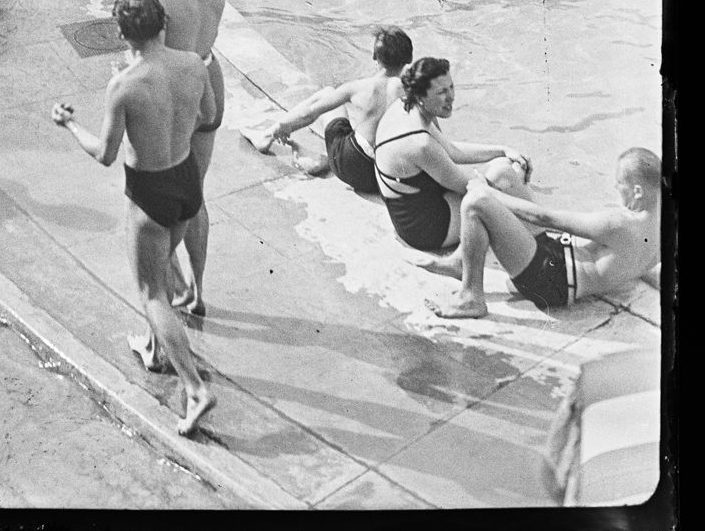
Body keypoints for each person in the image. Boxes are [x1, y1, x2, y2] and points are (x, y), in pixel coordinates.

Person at [51, 0, 216, 438]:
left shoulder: (124, 85)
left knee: (152, 292)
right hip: (186, 180)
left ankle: (195, 388)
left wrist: (69, 124)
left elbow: (105, 153)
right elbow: (209, 114)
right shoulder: (194, 65)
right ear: (163, 23)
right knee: (161, 265)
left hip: (150, 191)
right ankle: (154, 348)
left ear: (122, 34)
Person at [424, 146, 663, 320]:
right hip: (556, 259)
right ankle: (460, 261)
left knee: (476, 202)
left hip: (548, 281)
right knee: (501, 173)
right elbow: (639, 263)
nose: (615, 187)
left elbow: (543, 217)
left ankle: (470, 298)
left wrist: (488, 193)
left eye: (620, 183)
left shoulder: (619, 223)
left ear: (638, 191)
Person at [133, 0, 227, 316]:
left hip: (178, 94)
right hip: (209, 77)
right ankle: (198, 291)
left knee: (159, 199)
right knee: (196, 195)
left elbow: (151, 59)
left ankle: (165, 288)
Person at [372, 57, 533, 256]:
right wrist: (513, 177)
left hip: (409, 213)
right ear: (421, 96)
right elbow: (473, 189)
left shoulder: (405, 107)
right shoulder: (420, 143)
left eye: (451, 87)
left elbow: (451, 150)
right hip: (425, 229)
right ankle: (541, 234)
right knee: (503, 174)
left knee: (502, 167)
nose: (450, 97)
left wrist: (503, 150)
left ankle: (536, 225)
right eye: (441, 92)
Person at [257, 26, 414, 194]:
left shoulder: (358, 88)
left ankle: (268, 135)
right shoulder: (415, 93)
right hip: (382, 177)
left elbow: (310, 113)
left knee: (328, 93)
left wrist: (283, 126)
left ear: (375, 56)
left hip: (349, 165)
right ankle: (324, 160)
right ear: (409, 58)